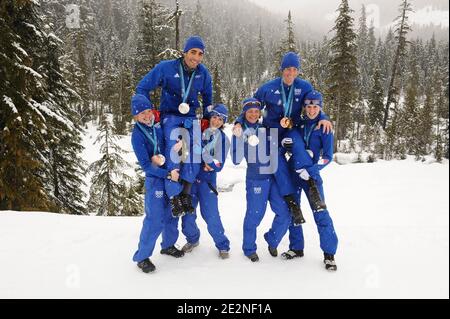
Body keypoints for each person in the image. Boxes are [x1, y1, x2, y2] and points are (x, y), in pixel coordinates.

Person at [232, 52, 331, 224]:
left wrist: (323, 117)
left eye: (294, 69)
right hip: (272, 132)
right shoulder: (268, 88)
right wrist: (239, 121)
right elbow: (251, 108)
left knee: (299, 149)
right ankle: (291, 201)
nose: (291, 73)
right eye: (287, 69)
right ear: (282, 69)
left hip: (292, 129)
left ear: (298, 71)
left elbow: (314, 103)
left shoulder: (304, 86)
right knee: (277, 163)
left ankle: (313, 186)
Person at [135, 36, 213, 218]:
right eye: (193, 52)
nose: (196, 57)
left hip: (191, 116)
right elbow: (142, 88)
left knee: (195, 151)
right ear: (185, 52)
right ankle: (174, 196)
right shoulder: (166, 67)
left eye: (200, 54)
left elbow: (208, 99)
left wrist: (207, 119)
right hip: (170, 115)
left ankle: (185, 194)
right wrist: (148, 111)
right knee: (173, 150)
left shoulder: (203, 73)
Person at [280, 91, 339, 271]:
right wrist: (286, 144)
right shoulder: (300, 122)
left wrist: (312, 170)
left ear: (320, 107)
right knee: (293, 210)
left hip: (312, 177)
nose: (312, 110)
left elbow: (327, 157)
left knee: (320, 213)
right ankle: (296, 248)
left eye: (316, 107)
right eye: (309, 106)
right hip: (294, 173)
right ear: (305, 107)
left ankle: (329, 254)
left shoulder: (325, 128)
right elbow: (287, 132)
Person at [166, 104, 231, 259]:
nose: (216, 121)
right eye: (214, 117)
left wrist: (209, 162)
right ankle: (193, 239)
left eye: (220, 119)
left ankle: (222, 245)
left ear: (223, 122)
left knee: (211, 215)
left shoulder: (223, 139)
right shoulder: (199, 132)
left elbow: (218, 164)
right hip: (191, 181)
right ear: (210, 117)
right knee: (188, 215)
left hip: (208, 183)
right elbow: (187, 149)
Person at [232, 98, 292, 262]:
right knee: (254, 216)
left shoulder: (264, 127)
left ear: (259, 113)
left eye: (256, 111)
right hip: (256, 180)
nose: (253, 114)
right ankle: (249, 248)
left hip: (273, 178)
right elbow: (236, 160)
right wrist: (237, 138)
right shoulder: (240, 131)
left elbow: (274, 147)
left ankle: (272, 239)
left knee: (285, 213)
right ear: (244, 113)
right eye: (249, 111)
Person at [130, 94, 183, 273]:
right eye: (141, 114)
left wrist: (178, 145)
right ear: (135, 116)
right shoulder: (137, 135)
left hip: (168, 176)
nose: (146, 116)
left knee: (171, 214)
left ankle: (168, 245)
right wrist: (166, 173)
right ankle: (142, 257)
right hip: (155, 179)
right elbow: (145, 165)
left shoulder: (157, 127)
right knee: (154, 219)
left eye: (148, 111)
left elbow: (166, 146)